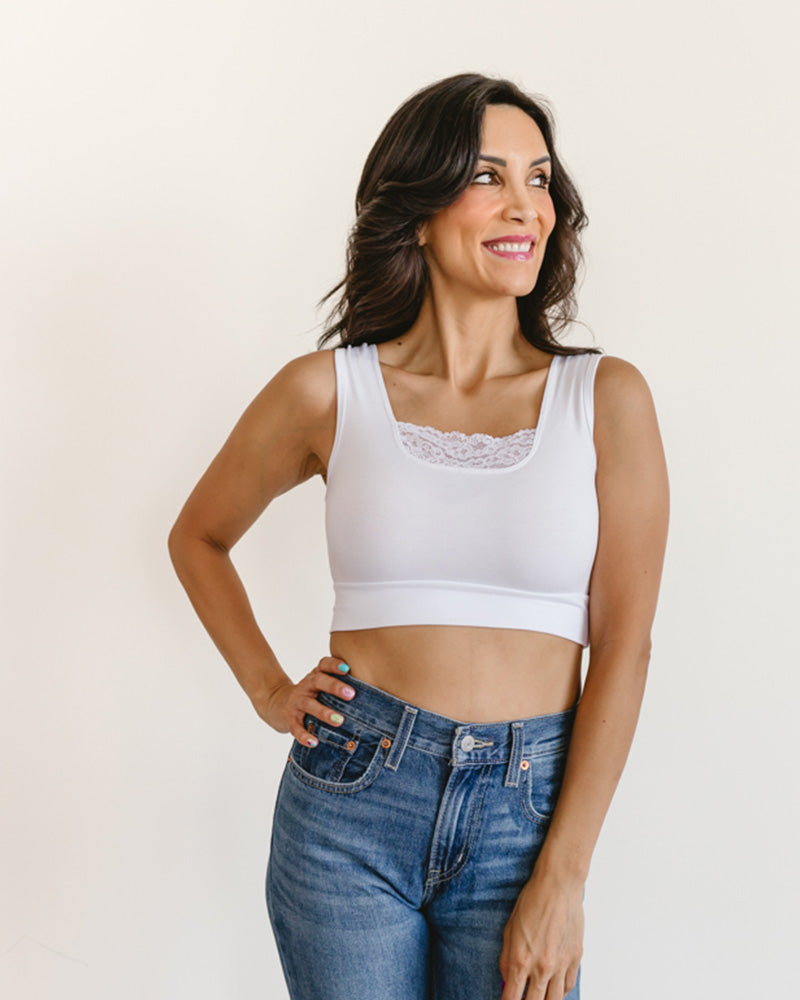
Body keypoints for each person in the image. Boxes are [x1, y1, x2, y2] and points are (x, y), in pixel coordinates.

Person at [168, 72, 669, 1000]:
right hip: (349, 802)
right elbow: (198, 537)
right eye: (488, 176)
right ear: (422, 208)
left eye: (540, 177)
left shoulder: (606, 401)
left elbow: (626, 648)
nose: (527, 203)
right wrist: (270, 690)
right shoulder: (327, 391)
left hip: (529, 812)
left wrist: (565, 874)